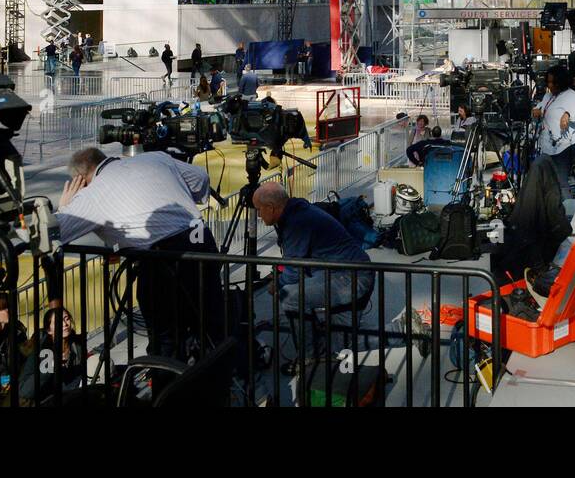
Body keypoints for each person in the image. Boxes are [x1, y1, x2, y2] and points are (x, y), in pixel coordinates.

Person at [55, 147, 223, 358]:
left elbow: (56, 233)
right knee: (213, 322)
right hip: (201, 242)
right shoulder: (155, 157)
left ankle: (170, 386)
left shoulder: (94, 192)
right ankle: (219, 379)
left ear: (80, 180)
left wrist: (65, 207)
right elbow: (200, 177)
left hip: (162, 261)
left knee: (166, 340)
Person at [252, 183, 373, 362]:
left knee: (290, 297)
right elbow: (295, 260)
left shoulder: (297, 222)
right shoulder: (297, 212)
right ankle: (403, 329)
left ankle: (312, 356)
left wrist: (276, 284)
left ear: (271, 208)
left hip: (350, 279)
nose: (259, 215)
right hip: (347, 274)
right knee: (342, 342)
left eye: (259, 210)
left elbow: (293, 272)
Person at [532, 64, 575, 198]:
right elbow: (542, 108)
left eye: (553, 82)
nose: (550, 85)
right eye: (548, 82)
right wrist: (537, 111)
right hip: (547, 146)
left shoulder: (572, 97)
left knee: (561, 182)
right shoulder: (548, 96)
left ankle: (565, 211)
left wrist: (568, 115)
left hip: (564, 147)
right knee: (548, 182)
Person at [18, 306, 87, 405]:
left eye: (67, 319)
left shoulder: (77, 345)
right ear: (49, 330)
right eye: (58, 322)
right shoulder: (43, 351)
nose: (65, 324)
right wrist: (50, 366)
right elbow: (25, 392)